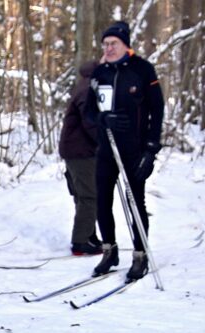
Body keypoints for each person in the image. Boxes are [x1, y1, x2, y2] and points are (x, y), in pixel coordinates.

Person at [86, 21, 164, 282]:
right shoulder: (100, 73)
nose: (108, 48)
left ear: (125, 45)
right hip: (107, 147)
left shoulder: (142, 69)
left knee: (135, 201)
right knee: (102, 200)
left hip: (135, 149)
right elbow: (89, 111)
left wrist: (151, 149)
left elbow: (157, 109)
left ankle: (140, 255)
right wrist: (102, 119)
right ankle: (109, 250)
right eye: (105, 44)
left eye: (113, 44)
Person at [59, 61, 103, 256]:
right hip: (80, 151)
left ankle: (89, 236)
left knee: (84, 194)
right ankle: (81, 241)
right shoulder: (87, 90)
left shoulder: (86, 86)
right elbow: (90, 121)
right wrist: (103, 140)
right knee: (89, 195)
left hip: (77, 150)